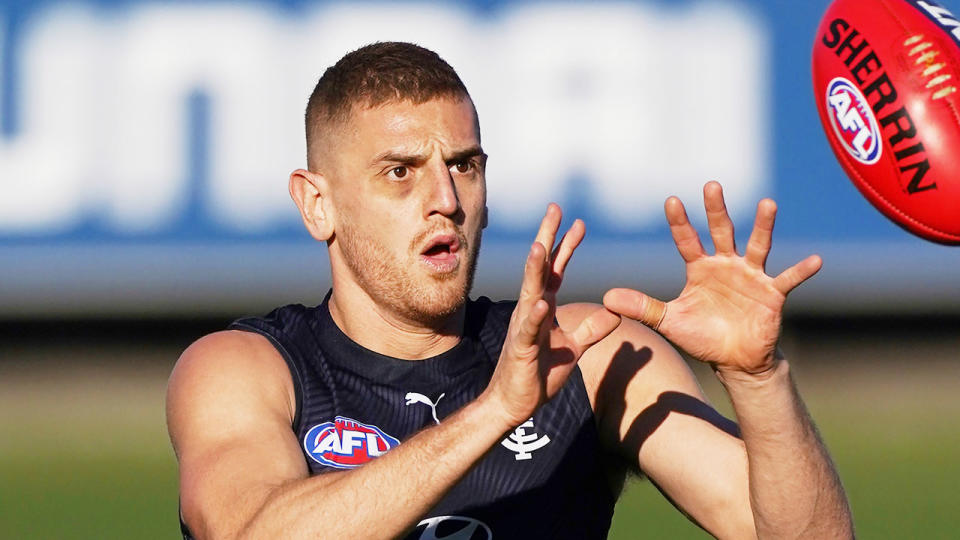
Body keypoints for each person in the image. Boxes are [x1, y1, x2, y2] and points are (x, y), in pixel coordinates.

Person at [166, 42, 853, 539]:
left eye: (464, 165)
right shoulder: (248, 369)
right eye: (400, 172)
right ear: (318, 205)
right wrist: (496, 411)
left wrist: (759, 378)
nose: (445, 198)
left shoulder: (590, 357)